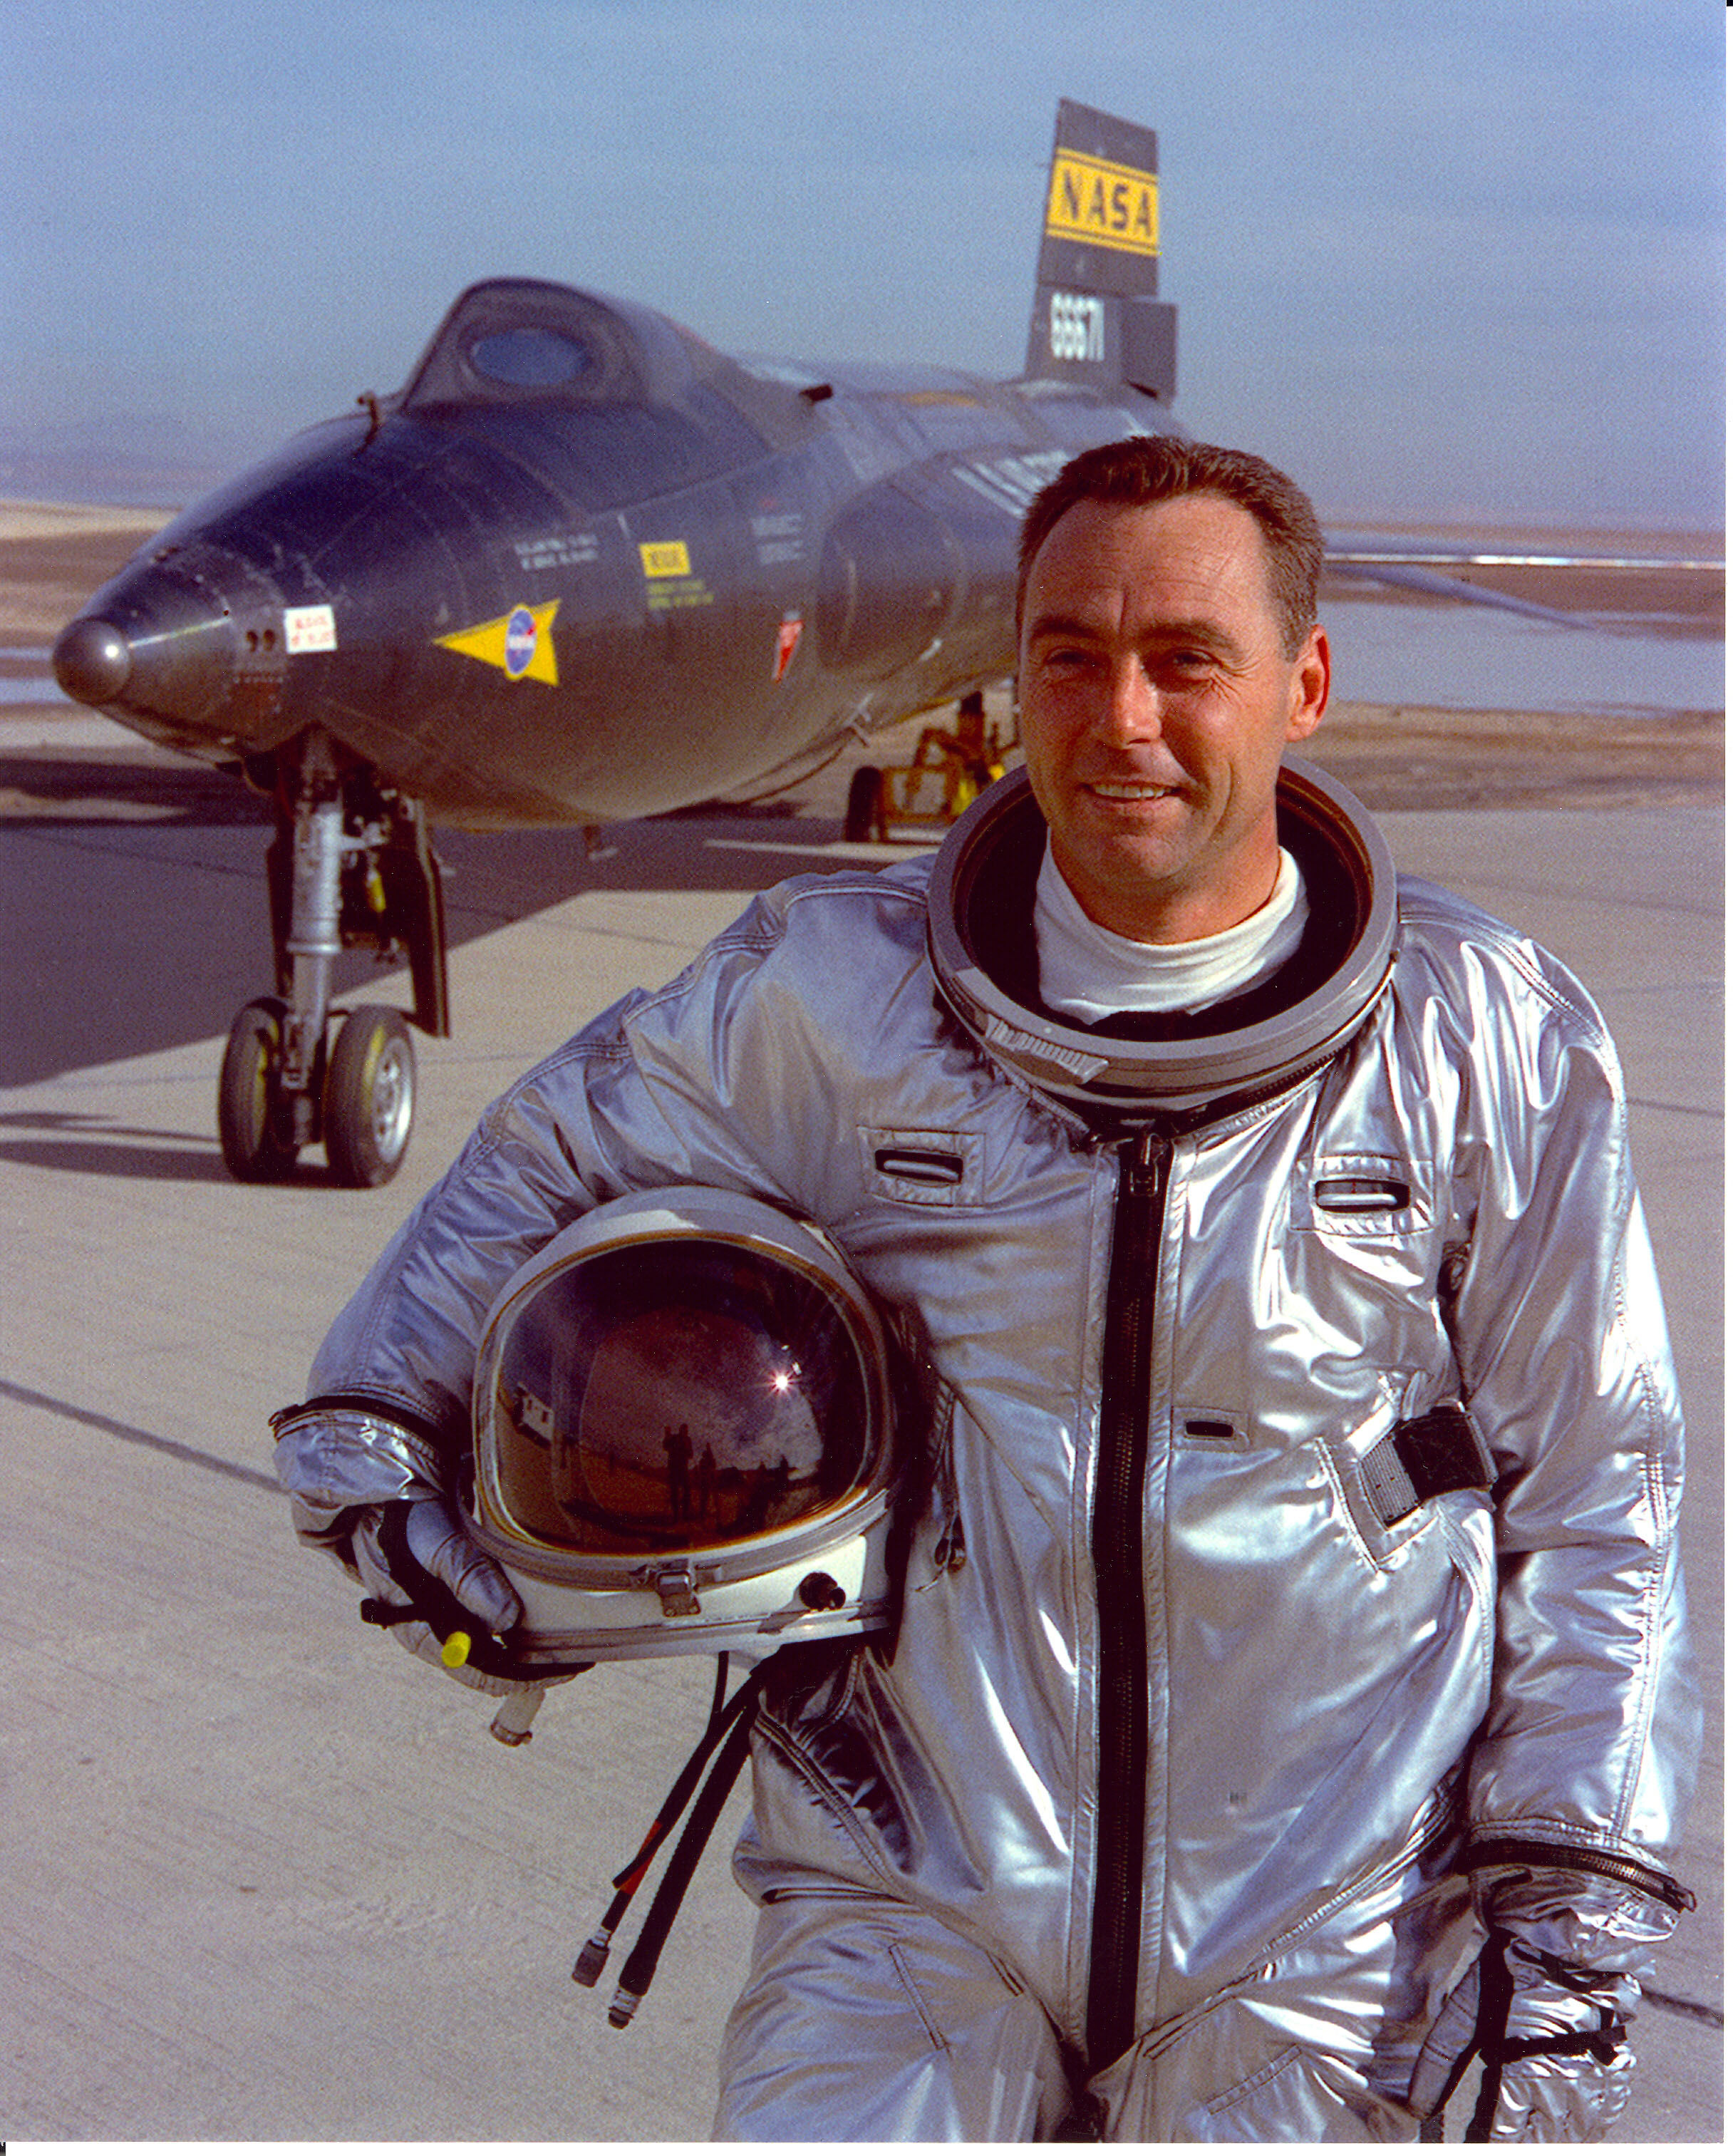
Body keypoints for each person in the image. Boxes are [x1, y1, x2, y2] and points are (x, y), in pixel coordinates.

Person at [273, 437, 1700, 2141]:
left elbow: (1600, 1490)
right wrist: (368, 1439)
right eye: (1070, 657)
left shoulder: (1487, 1043)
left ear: (1302, 683)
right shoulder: (829, 997)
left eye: (1188, 659)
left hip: (1337, 1929)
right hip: (909, 1892)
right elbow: (539, 1169)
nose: (1125, 720)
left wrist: (1565, 1906)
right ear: (1012, 675)